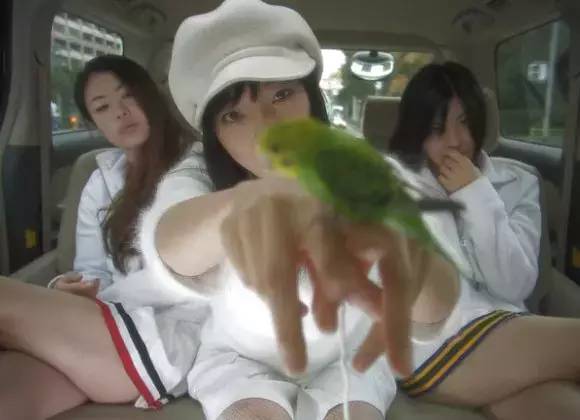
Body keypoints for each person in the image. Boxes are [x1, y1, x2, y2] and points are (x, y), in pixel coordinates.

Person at [135, 1, 461, 419]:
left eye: (282, 95)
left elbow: (435, 309)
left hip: (349, 361)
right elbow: (171, 244)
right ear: (215, 136)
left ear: (313, 101)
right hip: (237, 359)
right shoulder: (198, 172)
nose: (266, 127)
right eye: (234, 115)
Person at [0, 55, 209, 419]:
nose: (120, 112)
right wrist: (70, 289)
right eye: (102, 107)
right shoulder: (101, 180)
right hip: (102, 340)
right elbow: (91, 270)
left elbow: (192, 276)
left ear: (151, 97)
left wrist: (96, 307)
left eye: (128, 96)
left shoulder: (198, 167)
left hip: (166, 337)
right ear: (93, 122)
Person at [389, 62, 580, 420]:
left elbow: (514, 286)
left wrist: (476, 193)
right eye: (436, 128)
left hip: (504, 335)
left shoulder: (519, 182)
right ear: (416, 132)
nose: (455, 141)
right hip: (435, 345)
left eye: (464, 122)